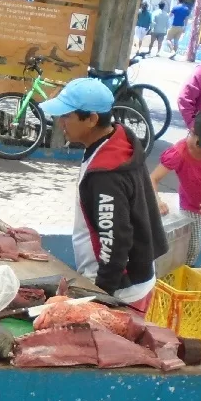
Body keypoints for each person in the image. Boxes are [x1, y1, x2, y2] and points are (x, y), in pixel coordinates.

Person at [39, 78, 167, 310]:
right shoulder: (117, 138)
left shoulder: (106, 175)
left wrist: (101, 295)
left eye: (67, 116)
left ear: (92, 119)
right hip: (132, 279)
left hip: (120, 292)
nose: (60, 122)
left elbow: (115, 239)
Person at [150, 111, 201, 269]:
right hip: (191, 204)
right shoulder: (178, 153)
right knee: (192, 247)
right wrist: (158, 201)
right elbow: (153, 179)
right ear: (193, 133)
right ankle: (187, 273)